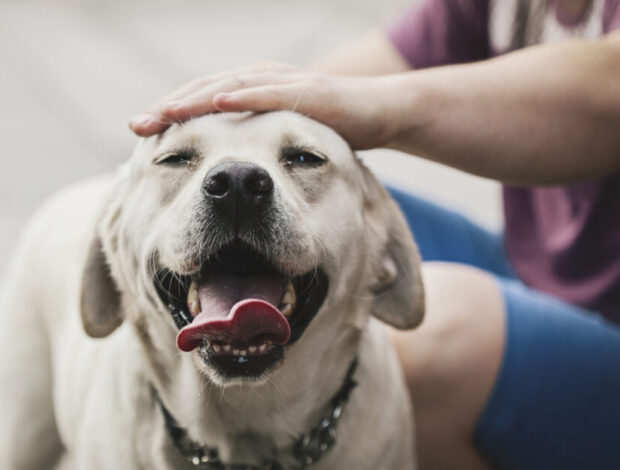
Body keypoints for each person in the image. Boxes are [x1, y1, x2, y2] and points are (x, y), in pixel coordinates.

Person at [129, 0, 620, 468]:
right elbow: (314, 93)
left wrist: (383, 108)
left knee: (436, 335)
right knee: (336, 205)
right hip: (532, 266)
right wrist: (186, 161)